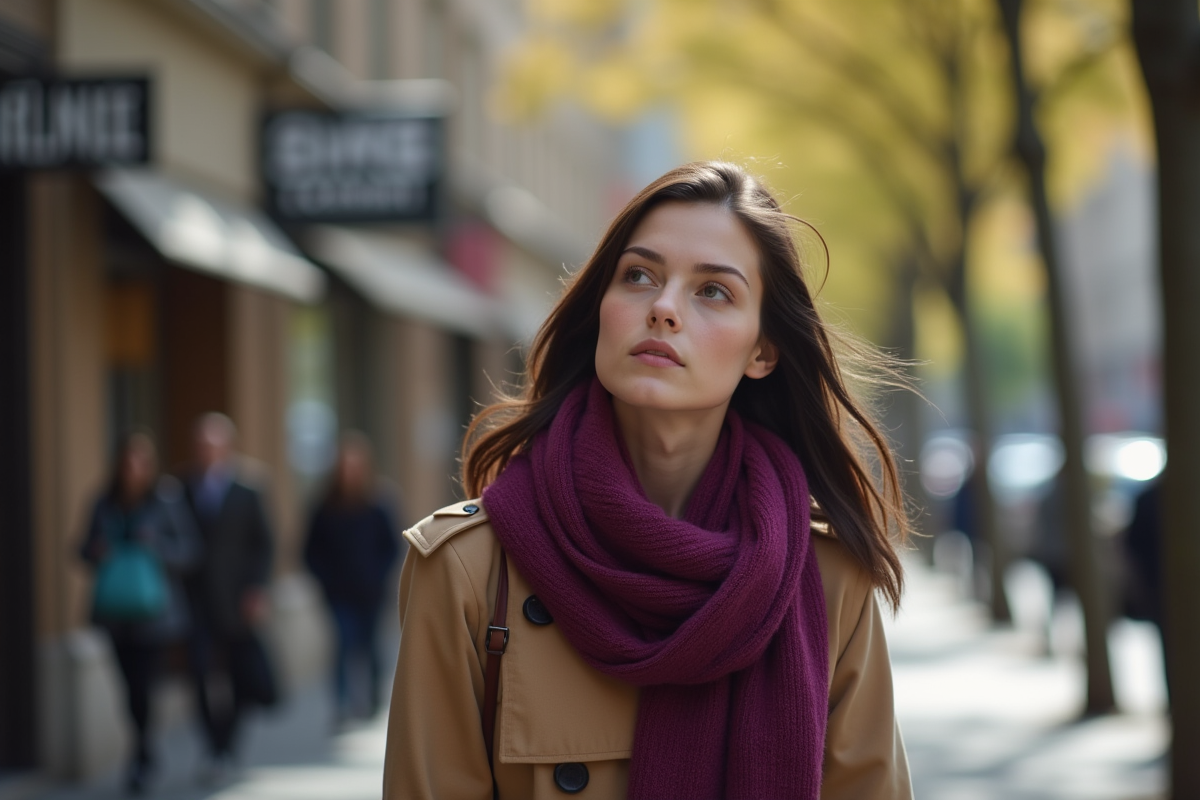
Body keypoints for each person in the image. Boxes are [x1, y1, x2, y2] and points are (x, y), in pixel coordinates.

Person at [383, 161, 914, 799]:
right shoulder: (469, 572)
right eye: (639, 276)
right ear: (601, 309)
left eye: (713, 291)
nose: (663, 308)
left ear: (762, 351)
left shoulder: (828, 580)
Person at [80, 431, 201, 796]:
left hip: (154, 613)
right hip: (116, 612)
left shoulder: (165, 500)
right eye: (128, 463)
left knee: (145, 686)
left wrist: (157, 548)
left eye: (140, 463)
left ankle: (142, 754)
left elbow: (190, 551)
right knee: (128, 687)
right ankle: (142, 749)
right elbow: (81, 548)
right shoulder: (104, 502)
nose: (133, 470)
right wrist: (97, 550)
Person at [182, 412, 275, 782]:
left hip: (237, 601)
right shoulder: (181, 487)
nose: (206, 451)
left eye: (213, 445)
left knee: (239, 677)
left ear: (227, 447)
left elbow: (264, 544)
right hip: (196, 601)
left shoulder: (248, 489)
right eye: (201, 445)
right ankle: (213, 744)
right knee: (199, 674)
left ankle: (228, 744)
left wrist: (257, 590)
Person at [304, 431, 402, 724]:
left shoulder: (379, 503)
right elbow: (309, 550)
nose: (350, 472)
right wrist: (325, 579)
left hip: (372, 592)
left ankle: (372, 699)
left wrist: (378, 575)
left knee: (371, 647)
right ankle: (342, 704)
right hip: (338, 594)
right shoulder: (325, 505)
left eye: (355, 466)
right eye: (345, 466)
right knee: (343, 645)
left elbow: (392, 546)